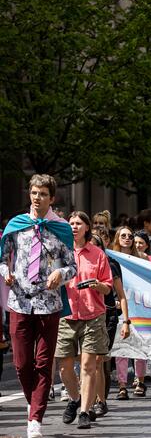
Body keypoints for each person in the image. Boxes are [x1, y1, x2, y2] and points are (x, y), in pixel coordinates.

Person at [1, 174, 78, 438]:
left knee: (43, 363)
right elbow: (3, 258)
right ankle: (32, 401)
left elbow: (72, 266)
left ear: (52, 198)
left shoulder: (61, 228)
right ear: (29, 195)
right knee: (22, 364)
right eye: (34, 193)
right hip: (20, 301)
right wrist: (5, 273)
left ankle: (36, 418)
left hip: (49, 304)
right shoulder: (16, 225)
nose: (37, 198)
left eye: (43, 194)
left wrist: (61, 275)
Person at [57, 211, 114, 429]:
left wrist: (96, 284)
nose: (74, 226)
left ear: (87, 228)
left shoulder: (98, 254)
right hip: (66, 314)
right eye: (70, 223)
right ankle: (75, 399)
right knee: (64, 368)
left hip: (93, 315)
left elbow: (108, 287)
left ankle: (84, 412)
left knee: (89, 366)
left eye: (78, 223)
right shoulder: (61, 251)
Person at [89, 229, 130, 417]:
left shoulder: (111, 265)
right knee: (87, 361)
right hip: (86, 314)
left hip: (108, 315)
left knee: (99, 360)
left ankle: (100, 401)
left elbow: (121, 296)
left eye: (95, 245)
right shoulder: (77, 260)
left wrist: (126, 322)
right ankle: (88, 401)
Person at [110, 226, 147, 399]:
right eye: (123, 235)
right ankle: (122, 385)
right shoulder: (110, 258)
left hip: (139, 307)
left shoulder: (142, 260)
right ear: (117, 238)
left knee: (140, 346)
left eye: (130, 236)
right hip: (119, 307)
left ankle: (140, 381)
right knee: (121, 347)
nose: (127, 238)